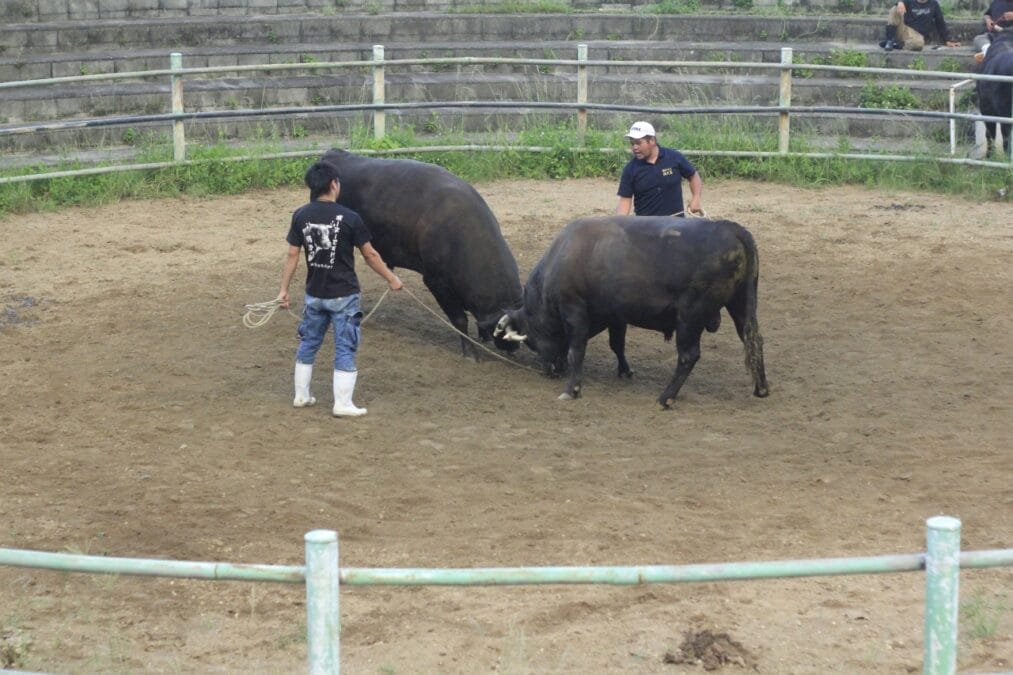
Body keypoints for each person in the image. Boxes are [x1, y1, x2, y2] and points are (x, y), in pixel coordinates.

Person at [277, 160, 402, 417]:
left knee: (309, 342)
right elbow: (370, 255)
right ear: (334, 184)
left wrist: (284, 289)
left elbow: (292, 255)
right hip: (343, 295)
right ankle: (342, 404)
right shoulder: (350, 218)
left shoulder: (300, 215)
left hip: (314, 294)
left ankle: (302, 395)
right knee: (345, 346)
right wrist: (391, 278)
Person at [616, 121, 703, 217]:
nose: (635, 147)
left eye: (638, 143)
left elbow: (693, 176)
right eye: (632, 143)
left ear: (652, 140)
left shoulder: (674, 157)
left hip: (676, 224)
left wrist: (696, 197)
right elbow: (625, 200)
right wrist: (619, 223)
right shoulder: (630, 169)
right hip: (647, 226)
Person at [879, 0, 961, 51]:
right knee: (895, 8)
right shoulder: (909, 1)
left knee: (918, 44)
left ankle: (895, 45)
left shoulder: (934, 4)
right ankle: (889, 40)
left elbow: (940, 22)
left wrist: (947, 40)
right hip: (904, 29)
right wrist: (900, 3)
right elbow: (900, 4)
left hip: (917, 36)